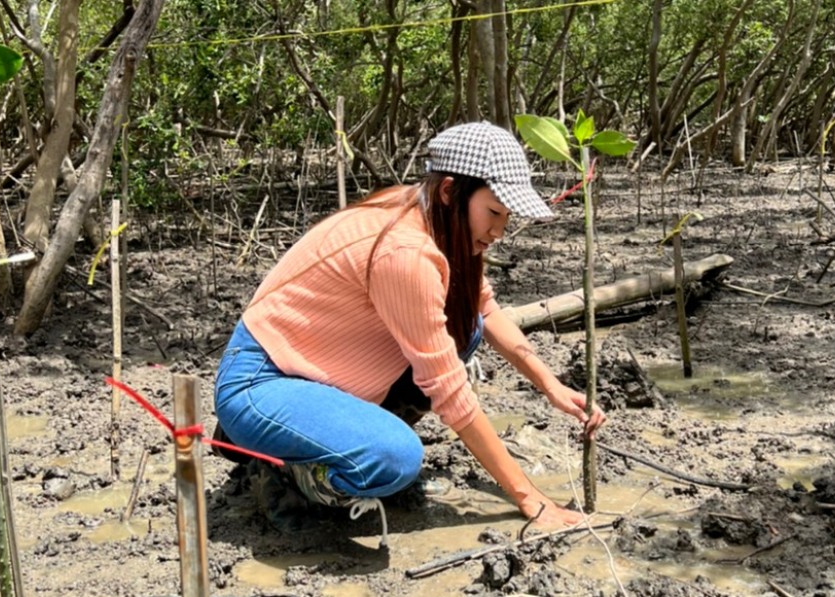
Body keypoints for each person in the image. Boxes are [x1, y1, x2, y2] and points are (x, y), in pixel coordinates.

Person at [212, 122, 606, 541]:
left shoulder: (432, 217)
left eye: (506, 218)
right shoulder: (405, 251)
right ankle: (288, 476)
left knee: (464, 326)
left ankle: (336, 444)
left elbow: (483, 308)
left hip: (317, 368)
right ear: (450, 191)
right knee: (395, 458)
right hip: (261, 383)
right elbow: (449, 391)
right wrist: (531, 500)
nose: (498, 232)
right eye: (493, 213)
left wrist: (551, 385)